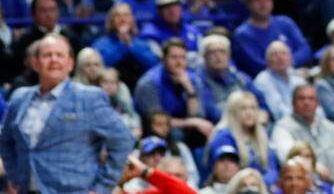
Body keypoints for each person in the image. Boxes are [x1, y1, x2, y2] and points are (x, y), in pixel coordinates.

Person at [0, 34, 133, 194]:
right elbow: (6, 140)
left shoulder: (88, 98)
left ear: (70, 63)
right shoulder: (19, 98)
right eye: (47, 55)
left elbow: (123, 139)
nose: (54, 60)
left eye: (59, 55)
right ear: (35, 63)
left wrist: (101, 187)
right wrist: (15, 176)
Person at [134, 37, 221, 144]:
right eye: (174, 57)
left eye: (183, 58)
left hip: (185, 127)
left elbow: (197, 115)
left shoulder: (192, 79)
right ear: (163, 59)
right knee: (176, 133)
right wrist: (192, 122)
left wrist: (189, 90)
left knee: (208, 132)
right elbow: (157, 122)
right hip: (153, 132)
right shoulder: (149, 83)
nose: (179, 62)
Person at [271, 84, 334, 181]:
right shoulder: (283, 127)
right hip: (308, 182)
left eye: (311, 99)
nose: (306, 103)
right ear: (293, 103)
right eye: (301, 99)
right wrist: (315, 166)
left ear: (317, 104)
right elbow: (288, 157)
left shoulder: (328, 125)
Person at [233, 0, 313, 76]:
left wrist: (288, 64)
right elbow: (258, 65)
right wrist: (290, 69)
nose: (263, 4)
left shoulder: (285, 22)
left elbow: (305, 50)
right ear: (248, 4)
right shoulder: (242, 34)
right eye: (258, 0)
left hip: (296, 74)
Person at [208, 90, 280, 185]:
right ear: (233, 112)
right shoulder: (223, 137)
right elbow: (227, 173)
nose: (249, 113)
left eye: (253, 108)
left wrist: (261, 184)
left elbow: (272, 169)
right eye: (243, 109)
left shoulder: (262, 135)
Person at [254, 40, 309, 122]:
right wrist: (305, 117)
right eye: (274, 54)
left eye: (283, 53)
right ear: (267, 61)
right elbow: (278, 112)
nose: (280, 57)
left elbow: (314, 104)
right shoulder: (263, 80)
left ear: (290, 58)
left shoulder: (297, 77)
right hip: (281, 125)